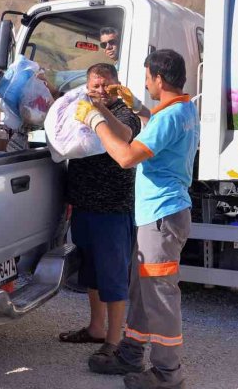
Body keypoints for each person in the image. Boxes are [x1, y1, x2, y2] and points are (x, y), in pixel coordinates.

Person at [76, 49, 198, 389]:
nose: (145, 84)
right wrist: (132, 109)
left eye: (146, 79)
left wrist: (94, 121)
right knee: (142, 291)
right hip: (157, 217)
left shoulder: (171, 117)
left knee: (159, 296)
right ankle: (130, 354)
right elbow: (147, 130)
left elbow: (127, 156)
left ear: (159, 79)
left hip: (162, 217)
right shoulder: (182, 108)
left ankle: (167, 374)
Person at [59, 64, 141, 358]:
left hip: (112, 210)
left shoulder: (124, 111)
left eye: (107, 85)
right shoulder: (80, 107)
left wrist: (98, 112)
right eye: (95, 86)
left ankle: (115, 341)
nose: (101, 91)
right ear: (87, 86)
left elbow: (124, 135)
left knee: (113, 276)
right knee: (91, 274)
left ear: (118, 85)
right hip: (84, 207)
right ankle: (96, 328)